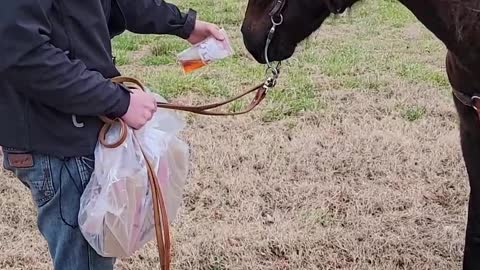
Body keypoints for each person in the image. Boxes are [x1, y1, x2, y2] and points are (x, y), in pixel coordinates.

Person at [0, 1, 224, 269]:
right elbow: (23, 54)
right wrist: (119, 102)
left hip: (73, 130)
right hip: (59, 140)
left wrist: (184, 25)